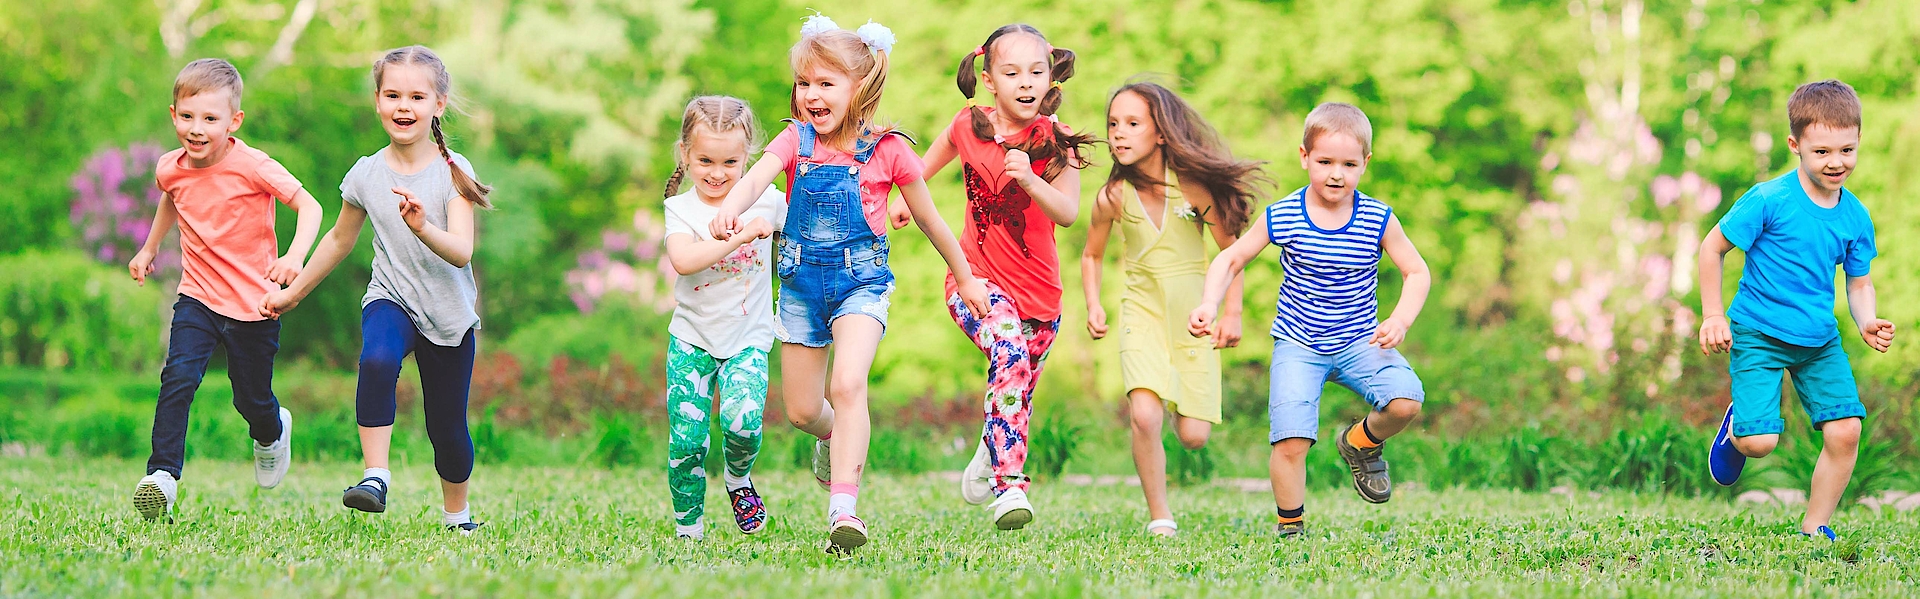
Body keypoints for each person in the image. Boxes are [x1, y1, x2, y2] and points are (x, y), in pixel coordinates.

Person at [705, 14, 989, 554]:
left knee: (849, 384)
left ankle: (844, 509)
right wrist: (730, 212)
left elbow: (932, 220)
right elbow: (755, 178)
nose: (811, 94)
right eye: (804, 83)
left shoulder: (891, 151)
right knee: (803, 411)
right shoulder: (795, 140)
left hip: (862, 286)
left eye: (825, 83)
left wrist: (966, 277)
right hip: (799, 291)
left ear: (861, 88)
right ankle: (836, 437)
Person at [259, 46, 492, 534]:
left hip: (448, 314)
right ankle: (375, 477)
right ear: (377, 101)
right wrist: (294, 292)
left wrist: (422, 226)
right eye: (392, 95)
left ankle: (458, 516)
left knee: (447, 431)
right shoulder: (367, 173)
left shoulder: (454, 170)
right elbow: (340, 239)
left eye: (416, 96)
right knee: (378, 359)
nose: (403, 106)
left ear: (438, 104)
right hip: (392, 296)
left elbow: (462, 251)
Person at [1189, 102, 1432, 538]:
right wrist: (1210, 304)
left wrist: (1401, 319)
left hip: (1361, 341)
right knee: (1291, 440)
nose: (1336, 173)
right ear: (1304, 157)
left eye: (1348, 164)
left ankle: (1361, 443)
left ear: (1365, 165)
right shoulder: (1284, 215)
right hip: (1299, 345)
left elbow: (1417, 271)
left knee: (1406, 401)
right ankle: (1291, 528)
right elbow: (1231, 259)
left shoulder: (1377, 217)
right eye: (1324, 162)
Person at [900, 23, 1095, 530]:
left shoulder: (1058, 142)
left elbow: (1069, 212)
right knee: (1007, 352)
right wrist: (904, 199)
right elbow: (922, 169)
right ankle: (1009, 489)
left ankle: (992, 452)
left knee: (1017, 390)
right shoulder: (967, 125)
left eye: (1036, 71)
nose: (1025, 82)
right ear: (989, 79)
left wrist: (1030, 177)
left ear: (1051, 74)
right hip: (975, 280)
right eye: (1011, 72)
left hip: (1042, 298)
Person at [129, 58, 324, 522]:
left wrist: (293, 258)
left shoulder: (253, 165)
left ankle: (272, 431)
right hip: (197, 294)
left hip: (254, 302)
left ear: (233, 121)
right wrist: (149, 247)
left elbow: (310, 206)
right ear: (173, 114)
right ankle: (162, 477)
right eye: (187, 116)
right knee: (177, 378)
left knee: (250, 397)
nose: (197, 129)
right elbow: (170, 197)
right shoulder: (170, 167)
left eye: (210, 119)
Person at [1698, 79, 1892, 541]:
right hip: (1759, 332)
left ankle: (1815, 525)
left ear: (1859, 141)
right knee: (1760, 443)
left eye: (1846, 149)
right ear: (1795, 145)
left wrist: (1866, 320)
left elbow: (1859, 282)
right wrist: (1712, 314)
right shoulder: (1770, 200)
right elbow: (1712, 248)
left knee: (1845, 431)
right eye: (1822, 151)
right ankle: (1737, 430)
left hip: (1819, 340)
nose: (1836, 162)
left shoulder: (1855, 217)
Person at [1081, 81, 1264, 536]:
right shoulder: (1111, 198)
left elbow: (1232, 253)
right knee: (1144, 415)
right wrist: (1094, 304)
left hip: (1192, 320)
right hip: (1140, 313)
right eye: (1113, 124)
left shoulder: (1194, 189)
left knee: (1194, 436)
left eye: (1132, 124)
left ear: (1160, 133)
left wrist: (1231, 312)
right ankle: (1160, 515)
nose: (1119, 134)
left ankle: (1184, 412)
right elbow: (1092, 254)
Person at [658, 95, 785, 540]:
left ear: (748, 156)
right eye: (705, 160)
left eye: (730, 161)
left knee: (743, 424)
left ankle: (738, 479)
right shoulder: (682, 210)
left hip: (749, 338)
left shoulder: (767, 201)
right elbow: (685, 260)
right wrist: (743, 234)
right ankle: (688, 529)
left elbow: (809, 231)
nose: (717, 173)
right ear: (685, 155)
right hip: (691, 340)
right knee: (688, 441)